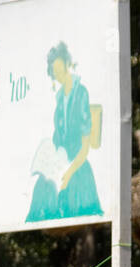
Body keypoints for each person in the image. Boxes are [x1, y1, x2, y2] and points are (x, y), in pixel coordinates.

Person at [26, 41, 103, 222]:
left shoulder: (81, 93)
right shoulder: (60, 99)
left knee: (70, 201)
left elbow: (85, 148)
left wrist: (68, 173)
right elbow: (57, 139)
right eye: (55, 73)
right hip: (59, 162)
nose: (59, 76)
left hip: (76, 164)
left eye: (61, 70)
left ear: (68, 64)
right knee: (41, 191)